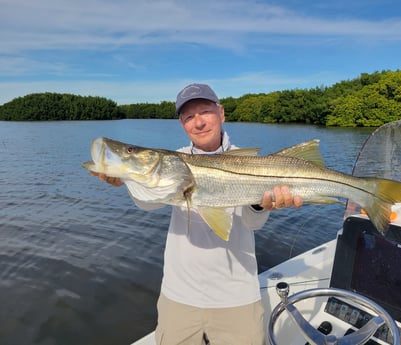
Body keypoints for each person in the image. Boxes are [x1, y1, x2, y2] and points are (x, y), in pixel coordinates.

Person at [91, 83, 302, 345]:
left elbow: (251, 223)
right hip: (179, 298)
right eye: (189, 117)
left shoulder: (249, 161)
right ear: (182, 124)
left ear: (221, 113)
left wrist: (261, 204)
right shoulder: (174, 160)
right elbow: (149, 202)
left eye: (205, 112)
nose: (198, 122)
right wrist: (128, 180)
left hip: (237, 298)